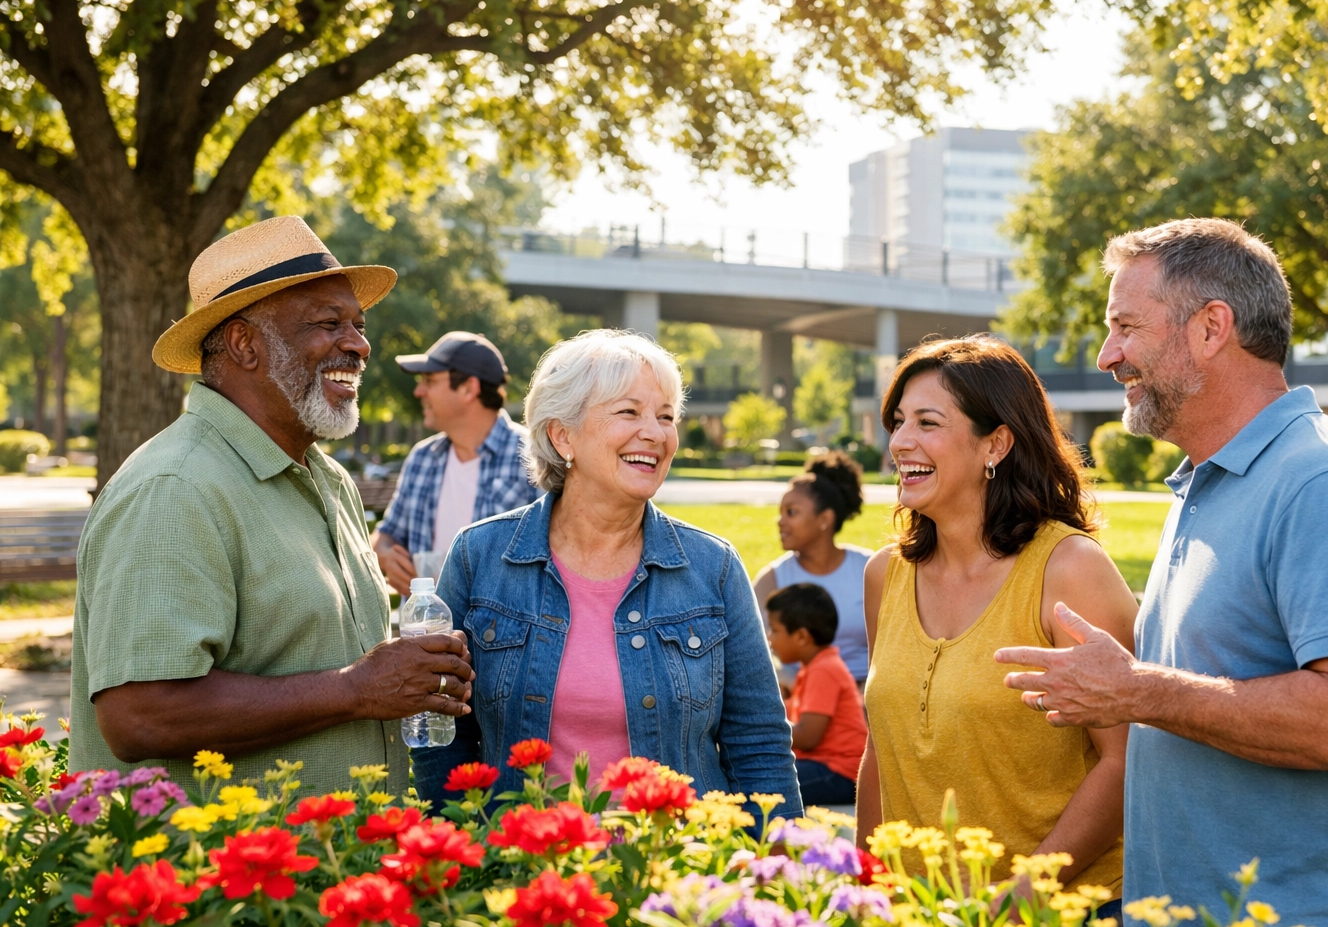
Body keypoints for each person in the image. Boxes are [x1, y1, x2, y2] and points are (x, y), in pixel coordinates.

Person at [996, 218, 1328, 927]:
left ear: (1211, 329)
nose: (1108, 357)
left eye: (1126, 327)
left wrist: (1138, 690)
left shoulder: (1327, 480)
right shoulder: (1210, 483)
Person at [70, 216, 475, 797]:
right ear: (244, 344)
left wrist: (400, 677)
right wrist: (356, 689)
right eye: (329, 323)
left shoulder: (329, 480)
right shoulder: (174, 487)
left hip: (329, 874)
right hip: (210, 885)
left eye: (359, 325)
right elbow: (141, 714)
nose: (359, 345)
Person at [413, 329, 802, 817]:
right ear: (562, 435)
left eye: (665, 417)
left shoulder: (713, 567)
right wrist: (456, 855)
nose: (656, 433)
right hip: (523, 872)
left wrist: (778, 866)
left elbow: (759, 743)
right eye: (629, 412)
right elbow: (443, 735)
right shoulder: (480, 557)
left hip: (675, 871)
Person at [858, 335, 1139, 895]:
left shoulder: (1069, 569)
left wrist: (1026, 893)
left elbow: (1127, 762)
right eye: (898, 421)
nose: (901, 442)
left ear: (996, 444)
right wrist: (867, 886)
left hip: (1064, 926)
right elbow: (880, 749)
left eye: (928, 423)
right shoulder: (883, 575)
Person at [373, 331, 540, 593]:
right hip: (425, 630)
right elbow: (386, 535)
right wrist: (385, 555)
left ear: (468, 389)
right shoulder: (422, 458)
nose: (419, 391)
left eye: (429, 380)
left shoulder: (535, 457)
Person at [753, 452, 873, 686]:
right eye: (781, 513)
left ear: (825, 519)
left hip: (865, 701)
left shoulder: (869, 569)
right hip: (801, 699)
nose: (780, 521)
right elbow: (757, 657)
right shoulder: (772, 580)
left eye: (791, 512)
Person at [765, 583, 868, 807]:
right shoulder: (813, 667)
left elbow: (808, 737)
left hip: (841, 773)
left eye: (774, 629)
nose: (769, 638)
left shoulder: (824, 670)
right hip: (824, 766)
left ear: (801, 636)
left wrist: (763, 723)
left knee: (765, 780)